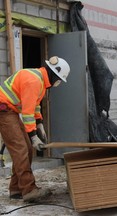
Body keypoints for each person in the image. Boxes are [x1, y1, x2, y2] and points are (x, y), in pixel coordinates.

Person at [0, 56, 70, 202]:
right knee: (21, 149)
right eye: (58, 80)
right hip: (4, 110)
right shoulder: (34, 81)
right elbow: (27, 113)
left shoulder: (40, 82)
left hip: (10, 111)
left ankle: (16, 189)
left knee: (27, 149)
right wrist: (33, 136)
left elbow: (35, 106)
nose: (57, 84)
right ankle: (29, 190)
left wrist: (40, 124)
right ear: (53, 74)